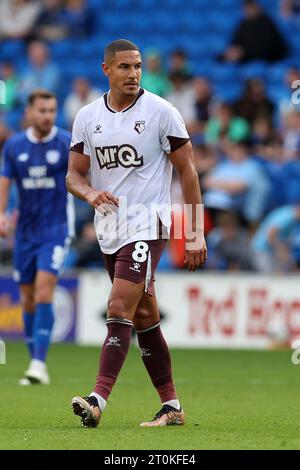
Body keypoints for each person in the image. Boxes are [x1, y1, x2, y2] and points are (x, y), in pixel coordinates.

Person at [66, 39, 207, 428]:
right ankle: (172, 406)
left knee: (117, 307)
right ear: (106, 70)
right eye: (125, 67)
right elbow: (73, 175)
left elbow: (188, 172)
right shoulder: (88, 117)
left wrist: (193, 232)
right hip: (109, 229)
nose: (133, 74)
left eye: (138, 67)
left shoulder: (162, 112)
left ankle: (97, 399)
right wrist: (91, 192)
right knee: (144, 314)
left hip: (149, 224)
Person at [0, 90, 73, 385]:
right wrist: (3, 214)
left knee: (44, 291)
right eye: (42, 110)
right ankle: (35, 364)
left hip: (55, 230)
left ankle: (38, 364)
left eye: (52, 110)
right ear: (29, 112)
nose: (47, 116)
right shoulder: (15, 146)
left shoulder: (66, 143)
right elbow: (5, 182)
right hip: (25, 233)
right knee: (28, 299)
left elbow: (81, 176)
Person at [222, 0, 288, 63]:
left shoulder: (268, 23)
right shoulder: (243, 24)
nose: (248, 11)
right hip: (246, 59)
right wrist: (232, 51)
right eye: (246, 8)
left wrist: (244, 52)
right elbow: (236, 41)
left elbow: (268, 47)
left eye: (250, 8)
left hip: (268, 59)